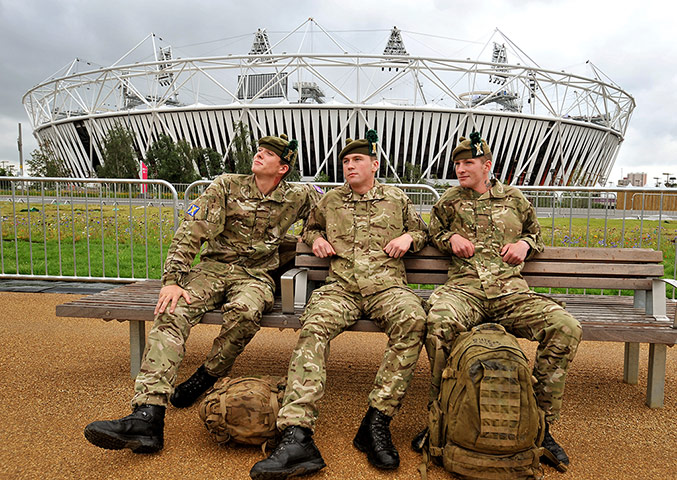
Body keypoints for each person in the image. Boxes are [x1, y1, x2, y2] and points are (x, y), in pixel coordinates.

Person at [84, 133, 319, 453]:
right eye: (259, 150)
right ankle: (148, 415)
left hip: (255, 276)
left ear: (283, 168)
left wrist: (312, 237)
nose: (259, 155)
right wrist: (172, 279)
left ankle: (208, 375)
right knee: (173, 310)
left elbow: (327, 215)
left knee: (246, 312)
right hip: (212, 270)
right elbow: (191, 230)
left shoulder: (298, 195)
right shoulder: (226, 186)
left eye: (268, 154)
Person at [249, 130, 428, 480]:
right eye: (345, 161)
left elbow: (423, 232)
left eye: (357, 160)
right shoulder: (330, 201)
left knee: (414, 321)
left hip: (386, 288)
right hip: (341, 288)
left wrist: (409, 237)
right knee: (313, 327)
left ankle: (377, 421)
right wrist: (315, 240)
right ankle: (297, 434)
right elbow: (310, 230)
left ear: (374, 164)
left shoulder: (396, 198)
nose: (349, 165)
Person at [413, 131, 581, 473]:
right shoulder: (447, 202)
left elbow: (535, 235)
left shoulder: (516, 199)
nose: (460, 169)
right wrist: (451, 238)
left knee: (566, 326)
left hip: (510, 293)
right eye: (457, 164)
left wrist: (525, 246)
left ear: (487, 166)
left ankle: (540, 425)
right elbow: (434, 233)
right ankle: (440, 418)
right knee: (438, 323)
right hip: (466, 290)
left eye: (468, 163)